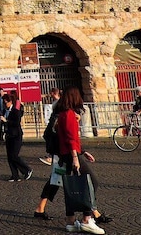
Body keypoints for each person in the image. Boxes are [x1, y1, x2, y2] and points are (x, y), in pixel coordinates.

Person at [34, 87, 111, 226]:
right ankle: (88, 216)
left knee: (58, 181)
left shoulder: (62, 111)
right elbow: (67, 136)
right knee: (84, 183)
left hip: (64, 152)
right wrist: (76, 155)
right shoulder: (64, 113)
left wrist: (81, 151)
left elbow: (70, 137)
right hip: (64, 153)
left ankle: (77, 215)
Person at [56, 86, 105, 234]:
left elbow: (67, 138)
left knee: (71, 188)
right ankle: (86, 219)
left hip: (66, 154)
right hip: (72, 156)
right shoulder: (69, 115)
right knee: (92, 183)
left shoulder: (63, 114)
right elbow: (71, 139)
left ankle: (70, 221)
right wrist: (76, 158)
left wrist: (83, 152)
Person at [0, 93, 32, 182]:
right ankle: (15, 175)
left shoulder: (15, 110)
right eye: (3, 103)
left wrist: (6, 121)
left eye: (6, 103)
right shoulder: (5, 110)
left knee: (14, 155)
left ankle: (26, 169)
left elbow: (16, 122)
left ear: (10, 102)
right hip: (9, 135)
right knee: (10, 156)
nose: (4, 104)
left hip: (16, 135)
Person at [40, 88, 61, 166]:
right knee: (47, 135)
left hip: (55, 122)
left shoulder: (59, 102)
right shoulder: (55, 101)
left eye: (51, 93)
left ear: (53, 93)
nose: (50, 95)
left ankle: (51, 156)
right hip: (53, 121)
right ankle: (51, 154)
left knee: (51, 137)